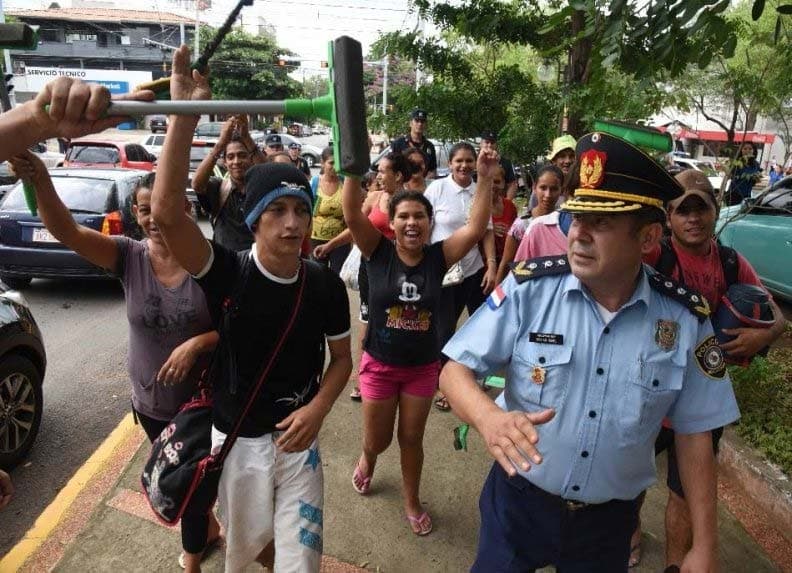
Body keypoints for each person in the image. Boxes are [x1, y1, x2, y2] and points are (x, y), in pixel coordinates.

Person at [439, 131, 740, 573]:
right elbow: (454, 370)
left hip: (608, 524)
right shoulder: (530, 291)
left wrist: (705, 546)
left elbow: (695, 435)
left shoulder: (685, 321)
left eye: (600, 223)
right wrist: (489, 418)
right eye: (576, 218)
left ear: (648, 237)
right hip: (517, 505)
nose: (579, 235)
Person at [150, 45, 352, 573]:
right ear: (256, 219)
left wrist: (318, 409)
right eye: (278, 211)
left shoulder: (325, 285)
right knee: (242, 555)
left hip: (298, 446)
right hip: (237, 443)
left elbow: (343, 361)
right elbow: (169, 213)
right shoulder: (230, 271)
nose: (292, 224)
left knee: (301, 561)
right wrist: (182, 114)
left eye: (301, 211)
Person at [9, 152, 220, 572]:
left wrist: (197, 343)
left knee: (191, 491)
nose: (154, 219)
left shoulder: (211, 261)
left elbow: (238, 327)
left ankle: (193, 559)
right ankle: (210, 527)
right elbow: (65, 230)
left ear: (185, 209)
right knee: (184, 478)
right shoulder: (129, 256)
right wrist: (40, 179)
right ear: (136, 214)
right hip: (150, 403)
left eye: (165, 208)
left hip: (201, 403)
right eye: (145, 210)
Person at [629, 168, 787, 571]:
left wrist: (760, 338)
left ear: (716, 212)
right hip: (644, 391)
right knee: (630, 480)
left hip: (701, 398)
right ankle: (629, 533)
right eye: (683, 210)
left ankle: (674, 565)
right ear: (669, 217)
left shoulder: (732, 263)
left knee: (684, 493)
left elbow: (778, 319)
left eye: (702, 208)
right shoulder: (653, 255)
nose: (693, 218)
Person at [343, 141, 497, 535]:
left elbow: (476, 227)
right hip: (379, 364)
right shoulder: (377, 252)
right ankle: (368, 459)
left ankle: (411, 500)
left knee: (411, 439)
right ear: (391, 223)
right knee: (377, 440)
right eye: (404, 217)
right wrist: (350, 167)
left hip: (421, 369)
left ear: (430, 223)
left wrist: (484, 177)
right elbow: (350, 212)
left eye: (420, 217)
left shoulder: (438, 257)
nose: (412, 223)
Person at [425, 141, 497, 411]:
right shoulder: (438, 188)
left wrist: (490, 265)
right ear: (450, 163)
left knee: (480, 327)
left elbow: (486, 230)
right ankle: (446, 386)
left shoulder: (480, 191)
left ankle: (472, 378)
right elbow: (425, 227)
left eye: (469, 160)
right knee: (444, 330)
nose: (465, 165)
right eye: (459, 161)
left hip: (473, 271)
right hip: (444, 274)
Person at [192, 115, 264, 251]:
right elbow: (197, 184)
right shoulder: (218, 188)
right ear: (224, 162)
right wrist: (220, 144)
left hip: (257, 265)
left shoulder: (260, 189)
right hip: (226, 267)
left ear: (251, 158)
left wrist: (247, 137)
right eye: (230, 157)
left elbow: (270, 176)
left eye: (242, 155)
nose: (236, 162)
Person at [496, 164, 564, 283]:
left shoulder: (563, 224)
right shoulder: (521, 226)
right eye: (543, 188)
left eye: (554, 189)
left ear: (561, 190)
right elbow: (506, 264)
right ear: (534, 187)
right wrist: (496, 297)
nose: (548, 195)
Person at [310, 147, 351, 273]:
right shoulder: (315, 183)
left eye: (337, 163)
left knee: (336, 277)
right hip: (316, 239)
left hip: (340, 242)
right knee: (317, 275)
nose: (335, 167)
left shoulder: (345, 182)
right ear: (322, 163)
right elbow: (307, 210)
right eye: (331, 163)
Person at [391, 108, 438, 179]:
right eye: (417, 120)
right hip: (403, 186)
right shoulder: (398, 143)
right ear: (410, 123)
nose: (420, 124)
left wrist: (424, 181)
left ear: (426, 125)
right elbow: (392, 167)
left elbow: (433, 170)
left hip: (422, 186)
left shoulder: (429, 146)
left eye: (422, 121)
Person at [489, 166, 518, 269]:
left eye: (497, 182)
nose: (492, 185)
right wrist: (488, 229)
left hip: (509, 262)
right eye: (488, 181)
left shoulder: (510, 206)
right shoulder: (476, 206)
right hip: (485, 266)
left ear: (503, 184)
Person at [479, 131, 518, 200]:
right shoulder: (473, 161)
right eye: (487, 142)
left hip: (498, 203)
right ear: (481, 143)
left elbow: (512, 184)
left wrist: (507, 203)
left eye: (492, 143)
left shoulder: (506, 162)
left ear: (496, 145)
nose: (490, 145)